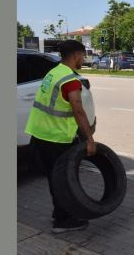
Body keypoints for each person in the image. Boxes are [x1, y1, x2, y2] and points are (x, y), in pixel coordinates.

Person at [24, 40, 97, 234]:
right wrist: (89, 140)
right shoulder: (70, 81)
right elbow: (78, 111)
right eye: (83, 56)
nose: (84, 59)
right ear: (75, 55)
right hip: (56, 138)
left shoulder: (54, 72)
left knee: (54, 178)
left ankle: (59, 213)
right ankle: (62, 221)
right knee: (62, 180)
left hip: (40, 134)